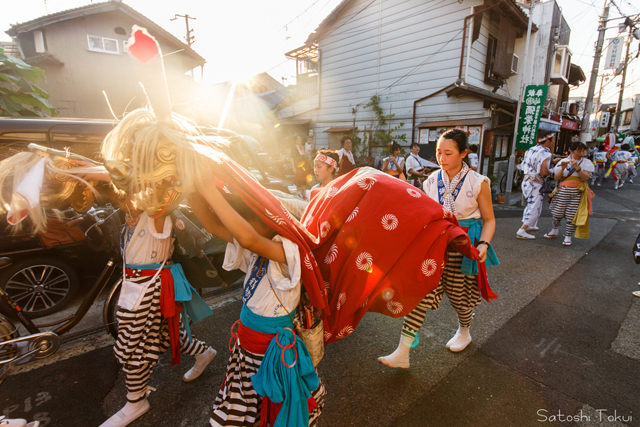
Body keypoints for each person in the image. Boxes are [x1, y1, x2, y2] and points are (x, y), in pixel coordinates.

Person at [188, 178, 325, 427]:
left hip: (271, 354)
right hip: (247, 348)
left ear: (275, 223)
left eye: (251, 216)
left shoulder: (289, 252)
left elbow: (248, 237)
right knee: (247, 412)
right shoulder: (258, 247)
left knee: (269, 412)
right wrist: (189, 186)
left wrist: (207, 185)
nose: (242, 222)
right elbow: (210, 223)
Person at [378, 129, 498, 368]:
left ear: (463, 153)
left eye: (448, 153)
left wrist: (483, 244)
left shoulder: (478, 182)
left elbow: (489, 219)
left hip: (464, 245)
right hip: (436, 244)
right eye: (438, 152)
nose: (441, 158)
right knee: (420, 293)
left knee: (459, 296)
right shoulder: (431, 180)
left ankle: (464, 331)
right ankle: (403, 351)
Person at [100, 196, 216, 427]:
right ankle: (203, 352)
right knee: (164, 334)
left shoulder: (157, 215)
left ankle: (136, 401)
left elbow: (157, 190)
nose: (121, 202)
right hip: (138, 288)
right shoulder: (132, 217)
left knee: (133, 345)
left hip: (151, 288)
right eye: (118, 198)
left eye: (125, 196)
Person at [544, 140, 594, 246]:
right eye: (579, 151)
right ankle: (554, 229)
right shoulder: (563, 161)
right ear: (571, 151)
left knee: (571, 214)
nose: (581, 153)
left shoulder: (586, 162)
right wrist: (562, 169)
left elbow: (585, 177)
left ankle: (568, 236)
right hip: (563, 189)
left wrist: (577, 168)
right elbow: (556, 177)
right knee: (557, 212)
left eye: (583, 151)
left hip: (578, 191)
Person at [517, 134, 554, 240]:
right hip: (536, 182)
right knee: (535, 206)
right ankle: (522, 229)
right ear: (548, 140)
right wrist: (552, 170)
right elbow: (544, 171)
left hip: (526, 180)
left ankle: (530, 224)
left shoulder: (531, 149)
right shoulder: (545, 152)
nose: (552, 143)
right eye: (552, 141)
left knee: (530, 204)